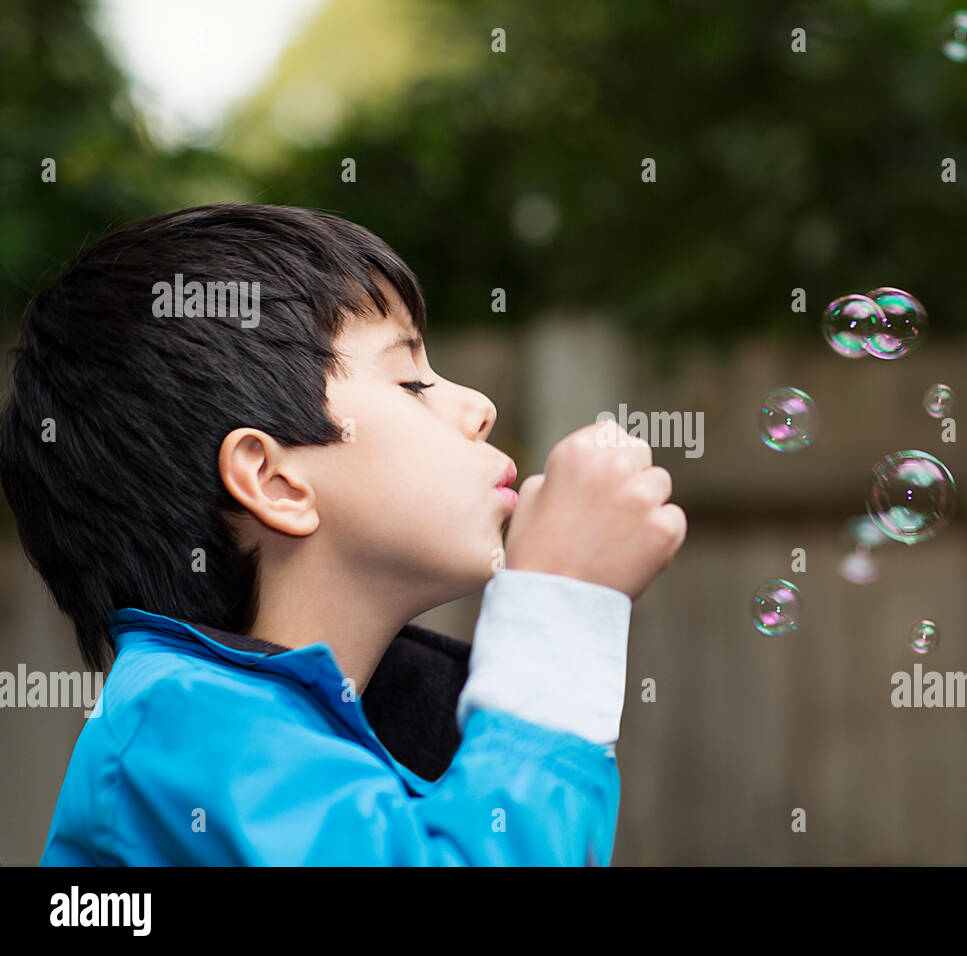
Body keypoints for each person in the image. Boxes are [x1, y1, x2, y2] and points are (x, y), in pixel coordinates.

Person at [0, 204, 686, 865]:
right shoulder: (181, 723)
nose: (480, 406)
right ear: (274, 482)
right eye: (411, 380)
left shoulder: (358, 736)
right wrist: (558, 610)